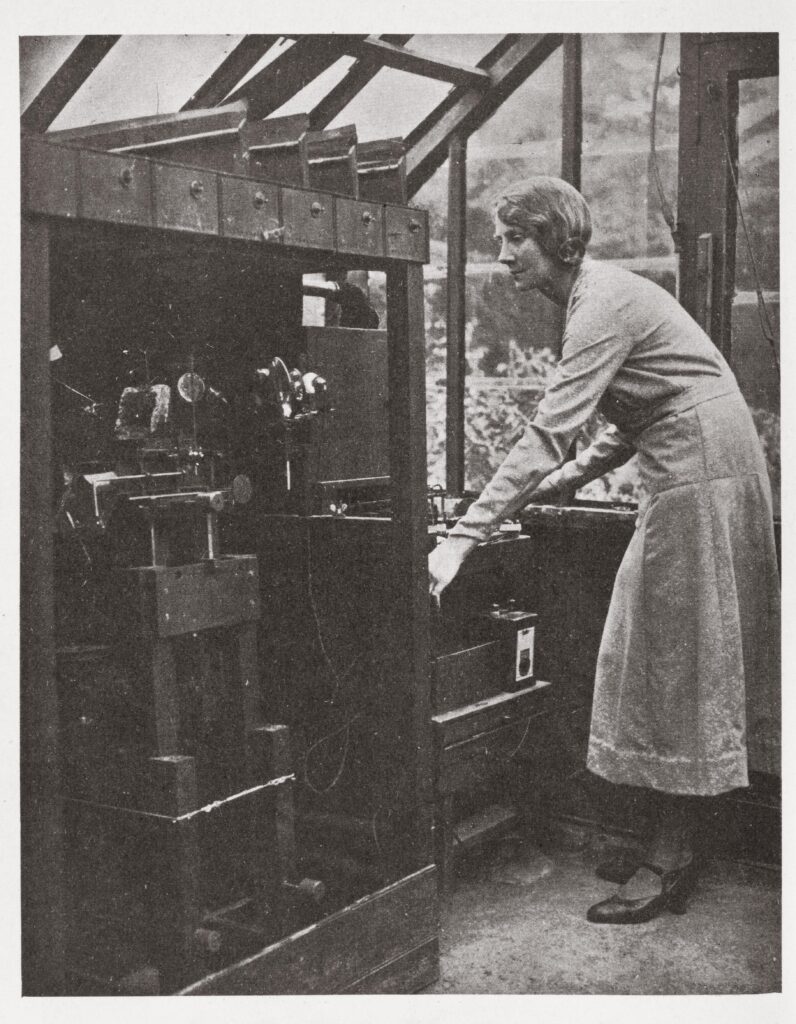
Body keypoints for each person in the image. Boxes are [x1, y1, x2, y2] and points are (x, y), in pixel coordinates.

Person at [428, 176, 780, 925]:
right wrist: (561, 483)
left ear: (554, 238)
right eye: (500, 240)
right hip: (703, 465)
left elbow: (552, 428)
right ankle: (673, 835)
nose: (501, 257)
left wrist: (461, 538)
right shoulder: (599, 299)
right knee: (667, 658)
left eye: (513, 239)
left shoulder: (600, 302)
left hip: (700, 476)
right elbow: (629, 420)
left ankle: (673, 856)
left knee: (672, 662)